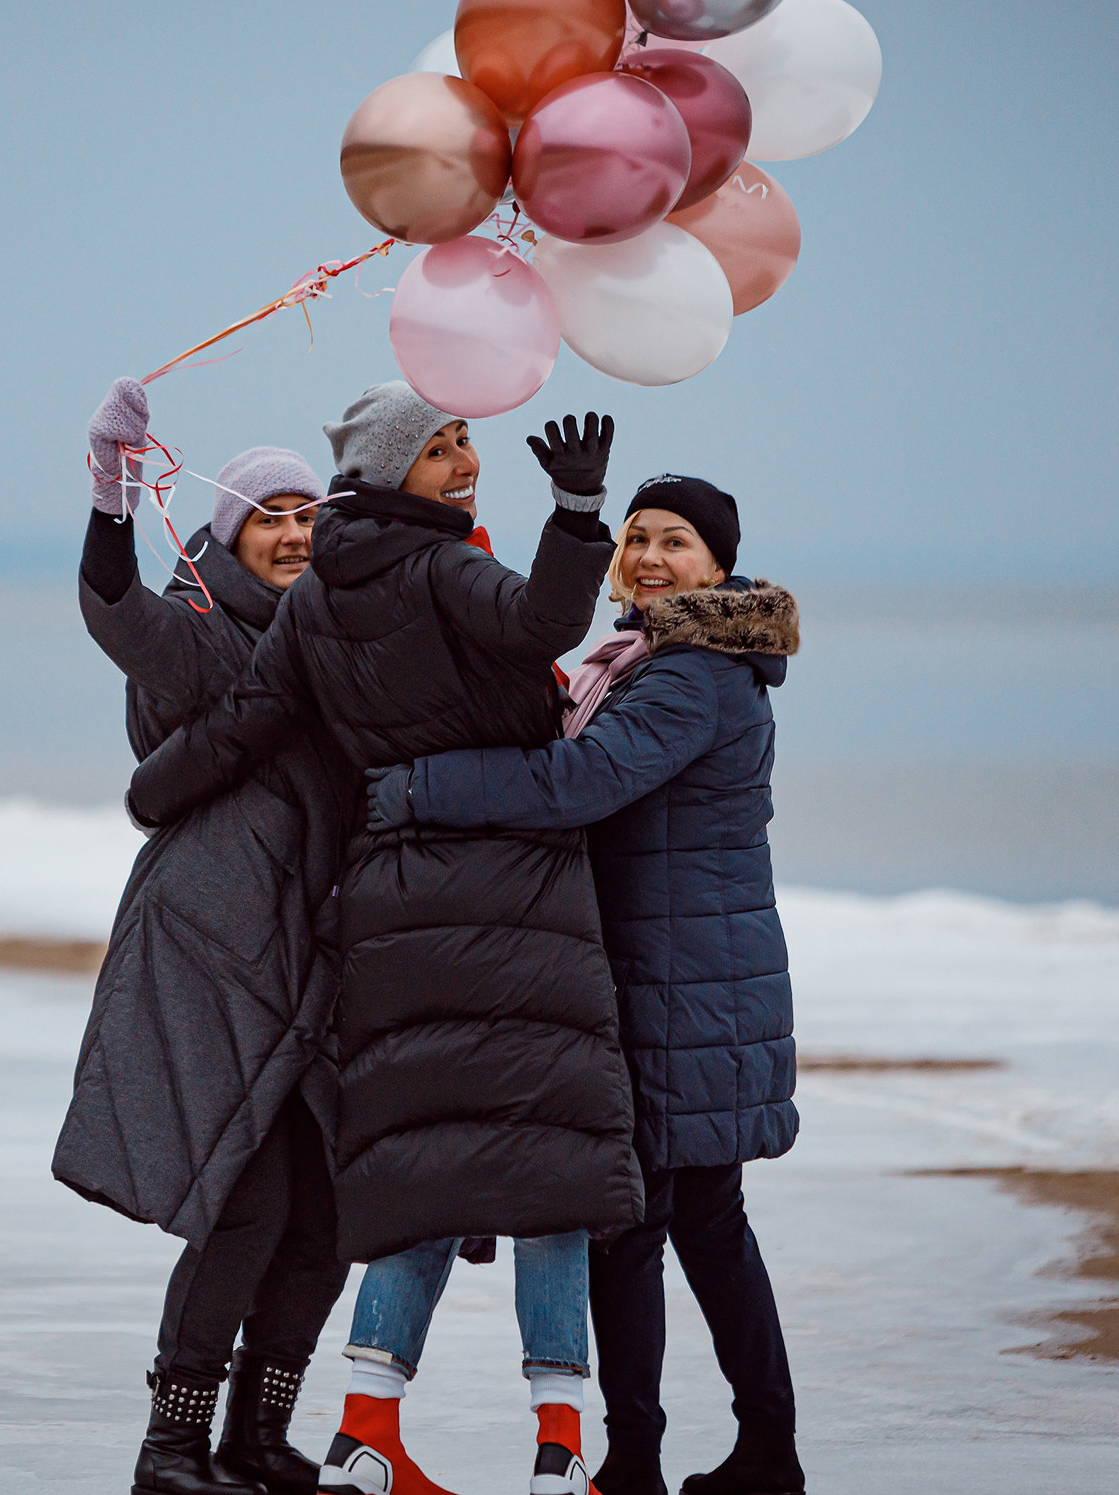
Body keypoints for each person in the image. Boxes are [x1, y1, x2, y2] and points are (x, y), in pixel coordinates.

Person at [128, 384, 644, 1495]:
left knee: (384, 1174)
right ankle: (556, 1443)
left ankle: (324, 1429)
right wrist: (577, 508)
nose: (464, 461)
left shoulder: (320, 594)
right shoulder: (439, 564)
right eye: (443, 446)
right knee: (533, 1160)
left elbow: (255, 711)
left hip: (387, 901)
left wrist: (152, 791)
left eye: (464, 442)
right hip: (507, 889)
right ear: (389, 467)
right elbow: (545, 624)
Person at [359, 476, 804, 1495]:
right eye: (637, 536)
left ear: (718, 567)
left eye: (676, 541)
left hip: (679, 987)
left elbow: (577, 783)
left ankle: (653, 1457)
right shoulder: (658, 661)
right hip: (691, 979)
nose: (649, 555)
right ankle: (752, 1448)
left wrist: (419, 789)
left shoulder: (689, 675)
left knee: (647, 1222)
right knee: (699, 1222)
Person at [56, 377, 356, 1495]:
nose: (293, 534)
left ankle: (256, 1437)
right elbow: (110, 606)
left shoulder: (342, 639)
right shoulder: (200, 629)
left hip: (319, 960)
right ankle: (170, 1447)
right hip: (217, 950)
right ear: (230, 533)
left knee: (325, 1215)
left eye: (308, 515)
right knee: (250, 1204)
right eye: (270, 517)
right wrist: (109, 494)